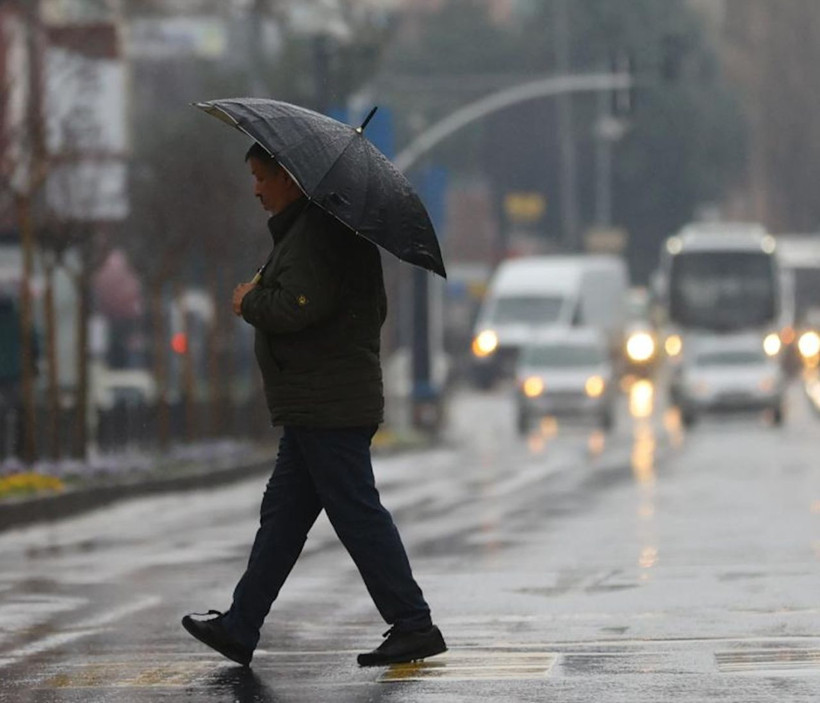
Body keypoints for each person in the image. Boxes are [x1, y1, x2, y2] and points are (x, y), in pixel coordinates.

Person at [182, 142, 446, 668]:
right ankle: (240, 625)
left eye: (262, 177)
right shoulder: (317, 230)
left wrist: (250, 301)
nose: (256, 189)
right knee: (282, 518)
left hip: (329, 405)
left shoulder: (319, 233)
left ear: (289, 177)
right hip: (318, 404)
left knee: (356, 513)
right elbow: (362, 307)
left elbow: (298, 307)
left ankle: (414, 623)